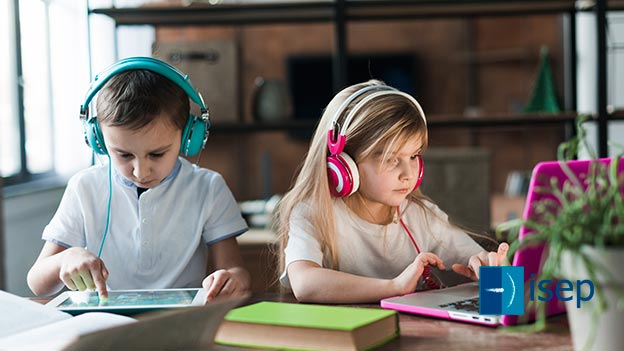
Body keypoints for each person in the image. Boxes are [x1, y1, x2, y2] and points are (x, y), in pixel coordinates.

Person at [27, 57, 250, 302]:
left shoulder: (208, 188)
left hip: (178, 321)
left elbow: (236, 270)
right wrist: (64, 260)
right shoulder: (84, 188)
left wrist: (231, 280)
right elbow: (38, 283)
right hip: (102, 324)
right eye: (123, 154)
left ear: (188, 136)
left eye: (157, 154)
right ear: (98, 140)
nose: (141, 171)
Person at [275, 80, 509, 304]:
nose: (408, 173)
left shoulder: (421, 215)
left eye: (414, 155)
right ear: (344, 165)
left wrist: (491, 266)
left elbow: (479, 263)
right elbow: (304, 283)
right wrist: (395, 287)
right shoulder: (314, 213)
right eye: (390, 159)